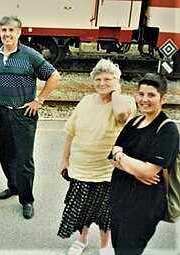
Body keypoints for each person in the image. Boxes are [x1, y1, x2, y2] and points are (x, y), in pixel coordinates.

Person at [0, 16, 60, 219]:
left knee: (24, 159)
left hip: (24, 113)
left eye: (11, 30)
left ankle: (27, 199)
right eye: (4, 30)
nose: (7, 34)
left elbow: (54, 75)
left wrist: (39, 100)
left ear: (19, 32)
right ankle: (13, 186)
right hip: (2, 112)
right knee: (6, 154)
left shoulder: (29, 55)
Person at [57, 59, 136, 255]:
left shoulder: (125, 101)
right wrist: (64, 159)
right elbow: (71, 132)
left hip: (107, 170)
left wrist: (115, 91)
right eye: (98, 79)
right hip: (80, 167)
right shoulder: (85, 101)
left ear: (117, 80)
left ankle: (105, 245)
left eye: (108, 79)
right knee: (82, 209)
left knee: (105, 213)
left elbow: (121, 116)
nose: (102, 83)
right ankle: (82, 240)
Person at [109, 74, 179, 255]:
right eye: (141, 94)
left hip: (144, 207)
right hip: (119, 200)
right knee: (118, 248)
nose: (144, 100)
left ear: (163, 99)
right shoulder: (134, 122)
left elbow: (150, 171)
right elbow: (110, 157)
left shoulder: (167, 130)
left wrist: (121, 155)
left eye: (151, 95)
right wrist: (134, 168)